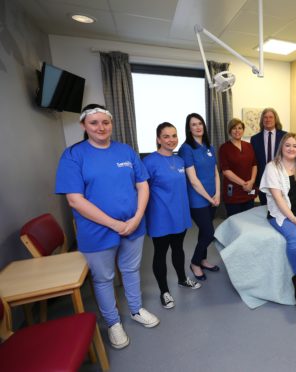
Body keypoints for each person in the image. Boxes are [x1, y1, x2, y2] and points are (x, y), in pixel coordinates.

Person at [55, 104, 159, 350]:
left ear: (112, 124)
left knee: (131, 270)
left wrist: (136, 217)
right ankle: (113, 322)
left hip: (133, 225)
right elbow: (74, 199)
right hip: (96, 230)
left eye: (105, 122)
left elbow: (143, 185)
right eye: (94, 123)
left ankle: (135, 309)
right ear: (84, 126)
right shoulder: (73, 155)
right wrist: (114, 224)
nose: (101, 127)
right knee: (103, 279)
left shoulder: (125, 151)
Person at [143, 122, 201, 310]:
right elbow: (142, 190)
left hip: (179, 214)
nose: (171, 140)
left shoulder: (179, 161)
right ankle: (164, 291)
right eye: (166, 136)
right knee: (160, 253)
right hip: (160, 216)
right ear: (158, 139)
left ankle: (183, 279)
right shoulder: (149, 162)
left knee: (178, 249)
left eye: (174, 136)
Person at [260, 133, 296, 308]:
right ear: (281, 148)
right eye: (288, 145)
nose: (292, 149)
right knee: (294, 240)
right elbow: (278, 199)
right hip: (282, 214)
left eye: (295, 145)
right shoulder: (272, 167)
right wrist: (294, 220)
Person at [178, 113, 220, 281]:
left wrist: (217, 193)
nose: (198, 127)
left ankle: (203, 260)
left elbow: (216, 173)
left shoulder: (210, 147)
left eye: (200, 123)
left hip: (213, 196)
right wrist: (210, 199)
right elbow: (193, 180)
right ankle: (195, 262)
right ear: (189, 128)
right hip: (198, 199)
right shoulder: (186, 149)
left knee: (204, 231)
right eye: (193, 124)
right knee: (209, 232)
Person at [219, 118, 258, 217]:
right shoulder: (224, 148)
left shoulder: (249, 146)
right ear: (229, 131)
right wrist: (244, 184)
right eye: (234, 128)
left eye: (240, 128)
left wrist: (252, 181)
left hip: (249, 190)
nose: (237, 131)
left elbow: (254, 165)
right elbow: (226, 171)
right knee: (234, 220)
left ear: (243, 130)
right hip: (234, 192)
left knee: (249, 219)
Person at [250, 108, 286, 205]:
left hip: (281, 179)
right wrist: (255, 182)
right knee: (264, 207)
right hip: (263, 180)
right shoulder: (255, 139)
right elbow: (254, 162)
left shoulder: (285, 136)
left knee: (281, 206)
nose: (268, 119)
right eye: (265, 117)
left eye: (271, 117)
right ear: (262, 120)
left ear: (275, 119)